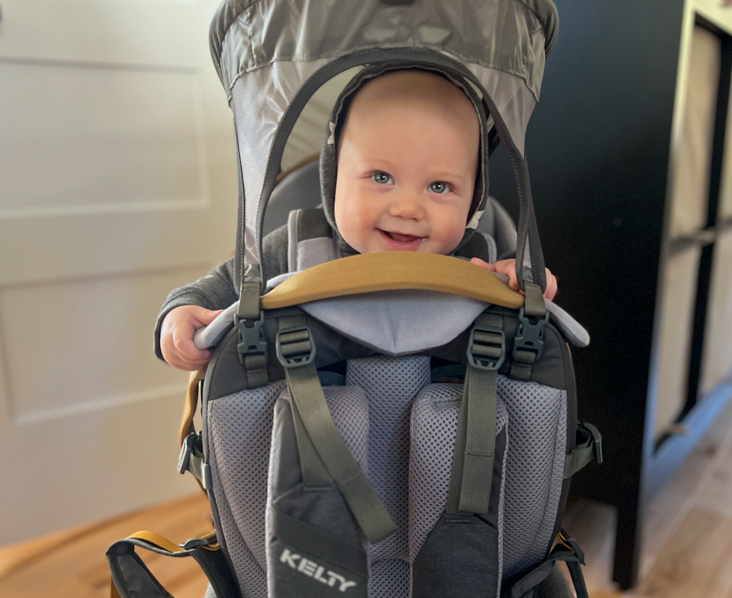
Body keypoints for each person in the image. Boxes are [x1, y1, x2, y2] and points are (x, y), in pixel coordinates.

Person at [157, 69, 558, 371]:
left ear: (474, 198)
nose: (407, 209)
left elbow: (526, 299)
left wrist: (520, 279)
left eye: (439, 187)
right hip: (314, 441)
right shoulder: (298, 245)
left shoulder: (479, 261)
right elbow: (226, 285)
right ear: (334, 181)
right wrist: (183, 311)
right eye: (381, 178)